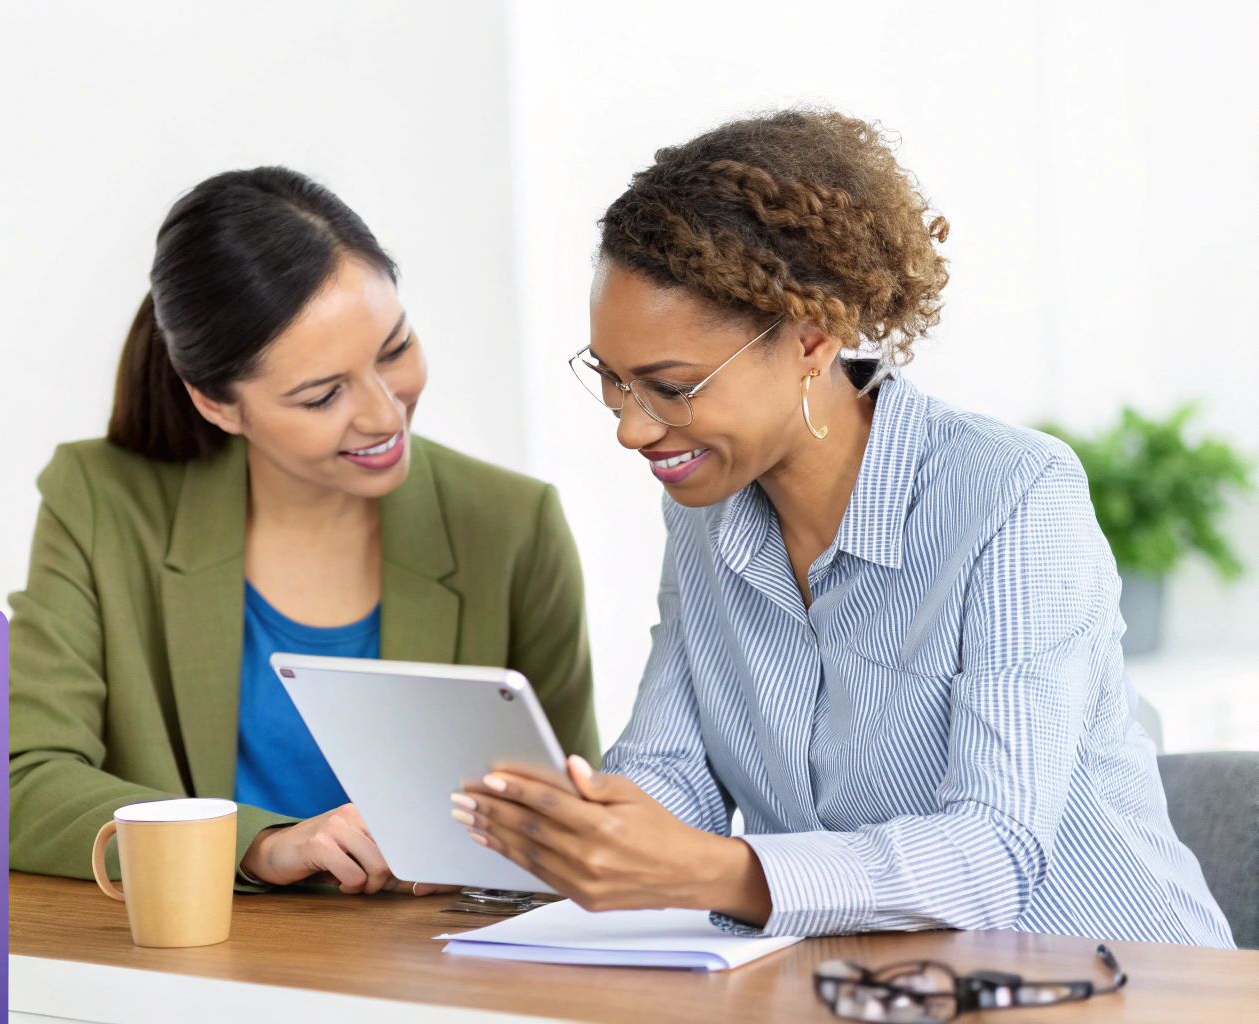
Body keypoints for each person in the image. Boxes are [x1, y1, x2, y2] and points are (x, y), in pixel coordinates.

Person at [453, 110, 1234, 947]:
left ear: (812, 340)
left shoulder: (1012, 494)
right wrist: (550, 828)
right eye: (612, 380)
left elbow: (992, 855)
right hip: (865, 987)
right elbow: (670, 773)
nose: (631, 429)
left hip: (1117, 981)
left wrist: (716, 870)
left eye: (670, 387)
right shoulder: (706, 515)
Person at [10, 166, 600, 895]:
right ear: (218, 404)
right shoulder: (101, 501)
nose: (385, 415)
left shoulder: (512, 525)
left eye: (395, 349)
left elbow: (575, 825)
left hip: (435, 971)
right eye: (322, 395)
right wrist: (259, 844)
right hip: (196, 968)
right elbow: (21, 781)